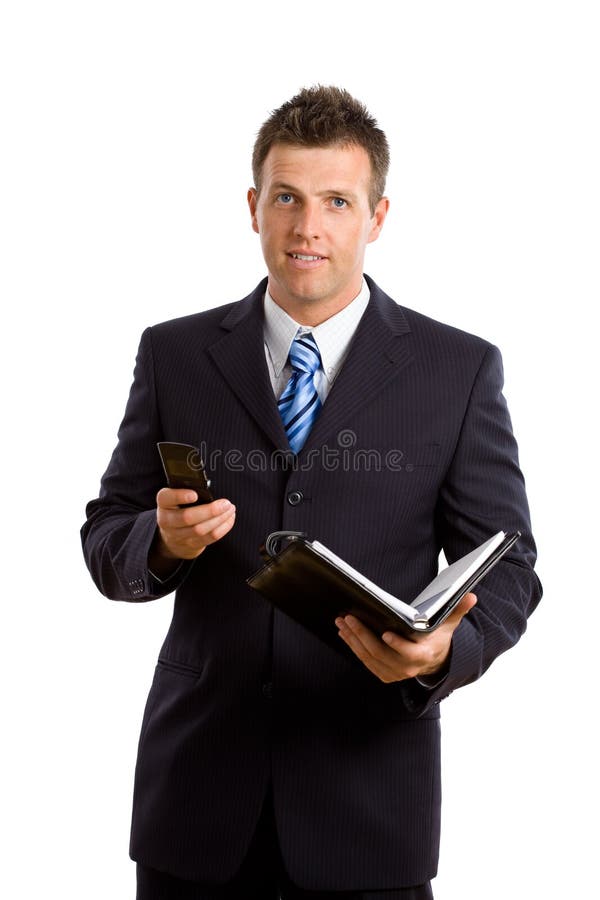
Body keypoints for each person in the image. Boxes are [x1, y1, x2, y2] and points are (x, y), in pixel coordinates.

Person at [81, 85, 542, 900]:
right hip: (195, 801)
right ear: (253, 207)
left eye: (337, 201)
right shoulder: (175, 354)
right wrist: (158, 543)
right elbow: (107, 532)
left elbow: (509, 563)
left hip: (368, 803)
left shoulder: (458, 369)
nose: (307, 228)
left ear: (377, 217)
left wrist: (447, 652)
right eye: (287, 198)